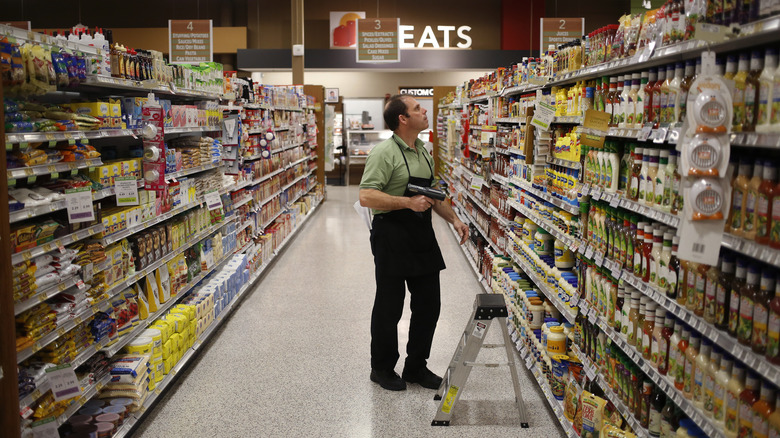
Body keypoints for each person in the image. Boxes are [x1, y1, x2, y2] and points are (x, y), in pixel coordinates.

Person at [359, 95, 469, 391]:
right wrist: (406, 203)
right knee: (389, 307)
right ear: (402, 119)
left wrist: (455, 220)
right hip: (391, 233)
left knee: (429, 305)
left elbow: (432, 196)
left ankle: (416, 366)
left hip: (421, 234)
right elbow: (367, 195)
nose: (424, 111)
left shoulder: (423, 151)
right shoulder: (384, 153)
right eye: (417, 109)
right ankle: (381, 368)